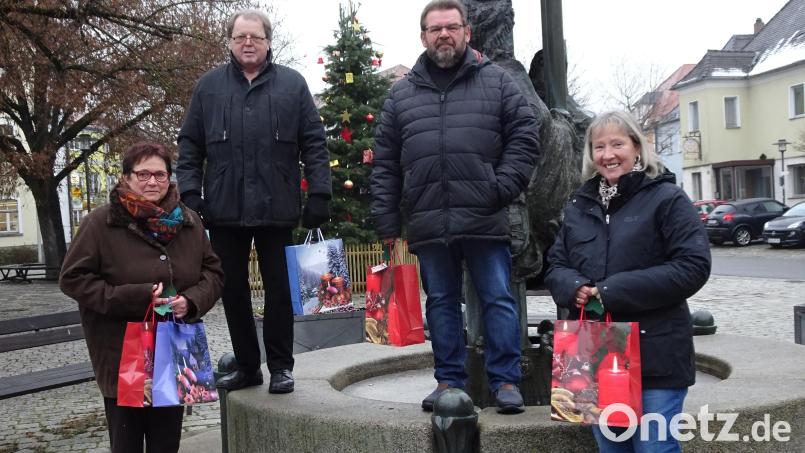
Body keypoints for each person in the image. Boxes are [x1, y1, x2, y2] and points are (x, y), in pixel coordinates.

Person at [371, 0, 539, 414]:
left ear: (467, 31)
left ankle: (505, 383)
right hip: (429, 218)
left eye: (451, 27)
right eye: (435, 29)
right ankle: (449, 381)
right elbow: (385, 161)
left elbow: (525, 137)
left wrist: (500, 187)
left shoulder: (497, 82)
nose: (443, 34)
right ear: (423, 36)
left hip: (484, 214)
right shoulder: (401, 95)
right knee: (442, 303)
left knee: (498, 298)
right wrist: (388, 220)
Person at [176, 8, 331, 394]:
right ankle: (248, 365)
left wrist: (320, 192)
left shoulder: (292, 86)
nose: (248, 43)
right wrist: (192, 193)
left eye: (256, 37)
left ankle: (281, 366)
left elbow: (314, 140)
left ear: (267, 42)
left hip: (277, 206)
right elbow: (190, 144)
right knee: (232, 289)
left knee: (279, 289)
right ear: (230, 42)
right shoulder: (209, 87)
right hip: (224, 208)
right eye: (240, 37)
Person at [545, 110, 711, 451]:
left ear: (637, 147)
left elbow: (692, 266)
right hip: (599, 355)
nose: (608, 155)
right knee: (612, 448)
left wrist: (610, 292)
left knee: (655, 448)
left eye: (617, 144)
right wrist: (573, 287)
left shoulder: (666, 199)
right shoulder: (579, 205)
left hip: (657, 354)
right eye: (599, 146)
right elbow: (555, 266)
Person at [60, 142, 224, 453]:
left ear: (169, 178)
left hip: (175, 348)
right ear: (126, 177)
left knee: (166, 442)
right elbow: (72, 278)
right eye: (143, 174)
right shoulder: (102, 222)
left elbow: (214, 274)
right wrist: (134, 297)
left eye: (160, 175)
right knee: (127, 442)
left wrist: (191, 301)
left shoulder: (188, 221)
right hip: (122, 351)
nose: (152, 182)